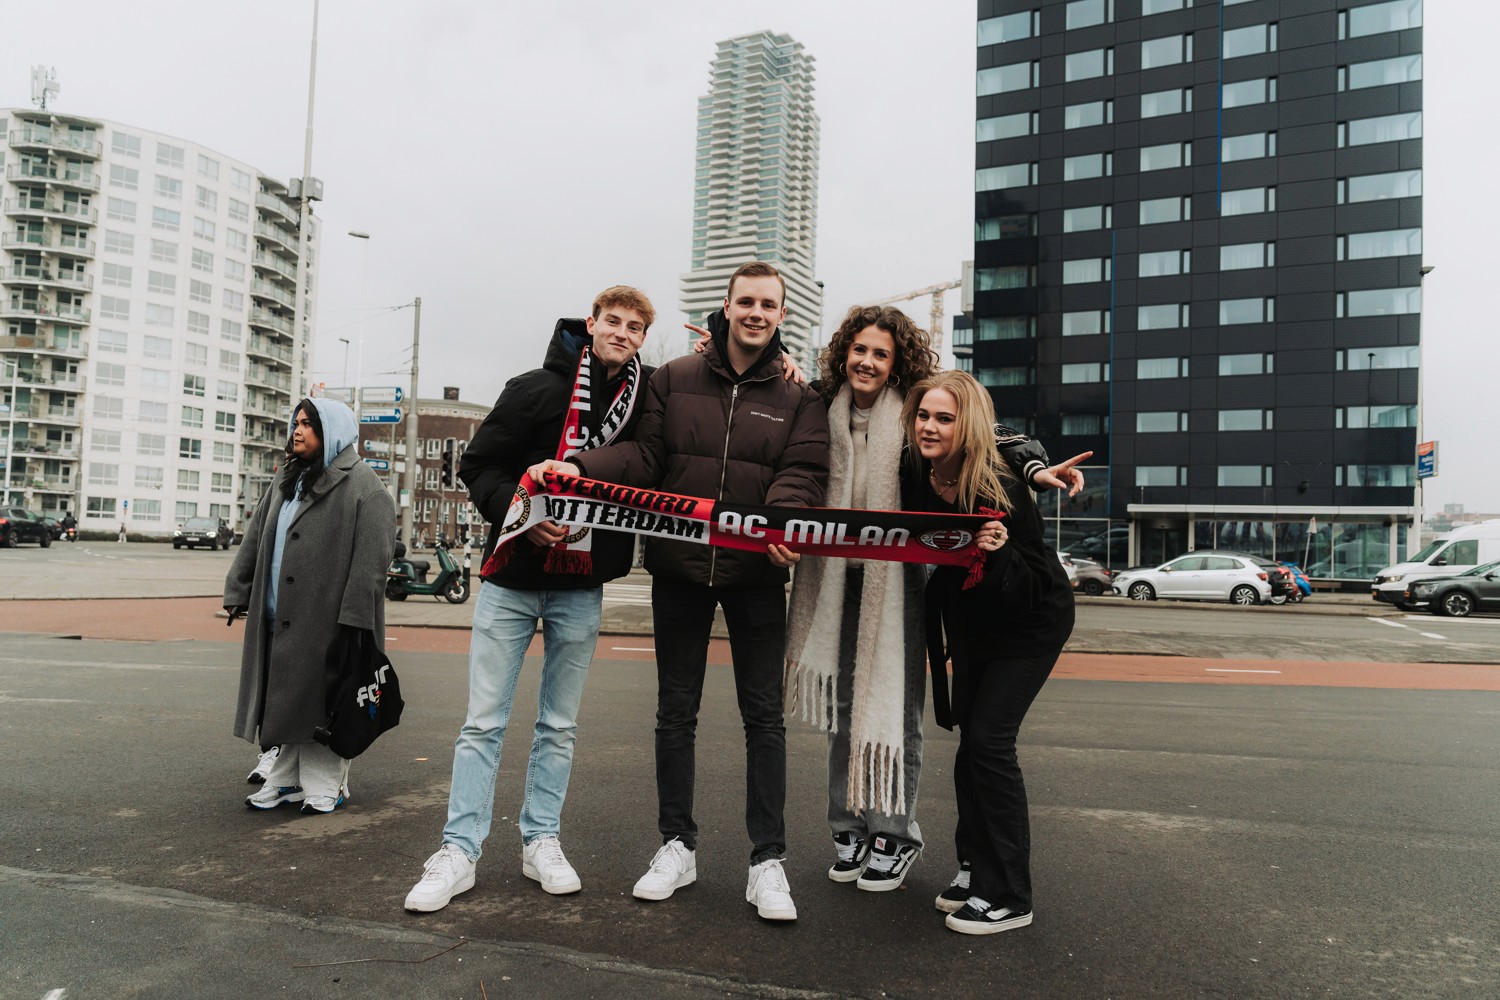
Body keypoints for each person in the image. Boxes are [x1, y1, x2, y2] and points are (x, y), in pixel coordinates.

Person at [535, 261, 830, 921]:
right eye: (746, 301)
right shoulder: (673, 378)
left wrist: (781, 521)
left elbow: (804, 471)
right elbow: (645, 459)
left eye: (768, 305)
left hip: (757, 575)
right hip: (678, 569)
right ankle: (677, 845)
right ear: (726, 304)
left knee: (764, 719)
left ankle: (768, 860)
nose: (756, 313)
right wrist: (579, 466)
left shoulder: (800, 397)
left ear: (782, 315)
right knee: (675, 713)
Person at [783, 306, 1087, 894]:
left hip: (907, 589)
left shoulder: (915, 422)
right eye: (859, 349)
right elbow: (771, 393)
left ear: (898, 363)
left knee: (907, 713)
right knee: (848, 713)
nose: (867, 361)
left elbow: (997, 435)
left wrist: (1035, 468)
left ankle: (896, 835)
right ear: (843, 353)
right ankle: (858, 827)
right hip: (835, 582)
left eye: (881, 353)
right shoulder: (819, 407)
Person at [403, 286, 660, 913]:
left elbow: (669, 440)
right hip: (512, 581)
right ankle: (459, 850)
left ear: (642, 338)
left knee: (560, 727)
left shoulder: (646, 397)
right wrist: (519, 513)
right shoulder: (532, 389)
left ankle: (540, 839)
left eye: (635, 327)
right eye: (613, 321)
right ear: (591, 323)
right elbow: (478, 467)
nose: (622, 334)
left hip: (582, 584)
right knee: (483, 722)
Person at [899, 371, 1075, 935]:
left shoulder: (998, 484)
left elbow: (1031, 583)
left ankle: (1009, 895)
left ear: (967, 425)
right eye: (924, 415)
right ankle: (976, 867)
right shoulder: (916, 469)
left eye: (944, 418)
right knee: (970, 747)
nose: (929, 426)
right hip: (974, 625)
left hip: (1029, 623)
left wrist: (997, 552)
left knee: (991, 745)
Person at [226, 397, 396, 815]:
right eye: (296, 423)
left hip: (329, 620)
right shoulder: (288, 478)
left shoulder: (365, 487)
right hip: (278, 613)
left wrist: (354, 624)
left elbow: (372, 564)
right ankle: (285, 778)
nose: (297, 430)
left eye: (308, 424)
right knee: (286, 698)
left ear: (332, 432)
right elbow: (256, 535)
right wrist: (239, 589)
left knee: (323, 703)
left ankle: (327, 783)